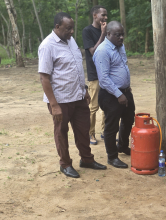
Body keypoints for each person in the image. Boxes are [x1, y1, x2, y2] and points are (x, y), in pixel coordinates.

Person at [38, 12, 107, 178]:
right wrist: (54, 105)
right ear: (57, 27)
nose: (71, 32)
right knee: (61, 132)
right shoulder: (47, 45)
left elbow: (76, 68)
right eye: (68, 28)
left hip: (78, 96)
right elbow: (44, 78)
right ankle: (65, 164)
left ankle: (87, 160)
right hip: (60, 100)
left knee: (83, 130)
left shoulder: (70, 40)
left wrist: (83, 90)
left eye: (72, 28)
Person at [93, 21, 135, 168]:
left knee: (129, 119)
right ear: (108, 34)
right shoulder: (103, 50)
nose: (122, 37)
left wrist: (125, 90)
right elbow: (103, 79)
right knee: (112, 126)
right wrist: (118, 94)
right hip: (111, 95)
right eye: (118, 35)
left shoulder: (120, 46)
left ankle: (122, 146)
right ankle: (112, 157)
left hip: (125, 92)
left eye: (123, 34)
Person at [82, 5, 108, 145]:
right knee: (93, 107)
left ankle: (104, 131)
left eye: (106, 15)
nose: (105, 18)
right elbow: (94, 52)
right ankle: (90, 133)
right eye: (102, 15)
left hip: (107, 74)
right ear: (95, 16)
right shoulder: (87, 31)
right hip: (95, 75)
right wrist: (103, 34)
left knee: (107, 105)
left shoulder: (108, 31)